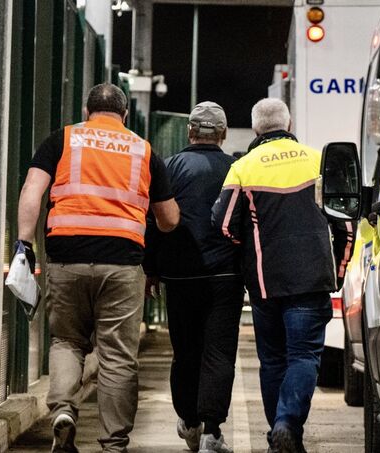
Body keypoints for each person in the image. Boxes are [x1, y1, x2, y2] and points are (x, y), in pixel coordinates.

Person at [16, 83, 179, 453]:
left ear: (87, 111)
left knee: (67, 341)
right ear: (124, 115)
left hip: (65, 258)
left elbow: (31, 191)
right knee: (118, 355)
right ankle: (113, 443)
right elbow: (168, 219)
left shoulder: (63, 140)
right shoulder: (143, 150)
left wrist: (24, 244)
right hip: (122, 264)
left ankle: (63, 411)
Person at [211, 98, 354, 453]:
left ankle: (279, 433)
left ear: (256, 128)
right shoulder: (318, 161)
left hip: (265, 281)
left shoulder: (243, 167)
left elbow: (224, 224)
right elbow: (346, 224)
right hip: (311, 280)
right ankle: (287, 424)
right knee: (303, 356)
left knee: (273, 359)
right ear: (288, 125)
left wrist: (253, 251)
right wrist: (335, 270)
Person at [143, 102, 243, 453]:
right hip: (226, 275)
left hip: (180, 275)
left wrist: (151, 268)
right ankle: (213, 432)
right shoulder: (236, 169)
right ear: (223, 134)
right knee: (218, 352)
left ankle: (188, 421)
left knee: (185, 352)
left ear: (189, 132)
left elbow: (154, 222)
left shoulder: (169, 168)